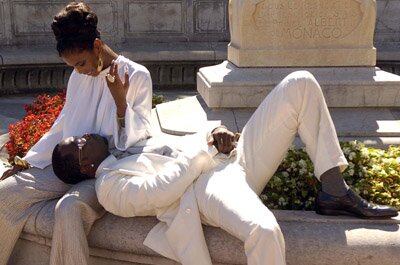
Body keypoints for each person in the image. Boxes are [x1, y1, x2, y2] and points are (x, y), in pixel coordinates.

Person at [52, 71, 398, 265]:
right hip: (206, 188)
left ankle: (334, 189)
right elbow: (159, 191)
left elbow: (166, 134)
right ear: (84, 163)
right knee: (263, 231)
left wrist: (212, 133)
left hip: (233, 158)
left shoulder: (123, 146)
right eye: (79, 142)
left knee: (300, 84)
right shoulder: (110, 187)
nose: (84, 136)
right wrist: (205, 148)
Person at [0, 2, 152, 265]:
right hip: (68, 166)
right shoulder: (78, 76)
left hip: (107, 171)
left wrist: (120, 103)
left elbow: (136, 141)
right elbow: (63, 125)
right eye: (74, 66)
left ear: (96, 46)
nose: (80, 70)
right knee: (5, 193)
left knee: (68, 209)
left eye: (81, 63)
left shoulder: (137, 76)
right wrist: (27, 160)